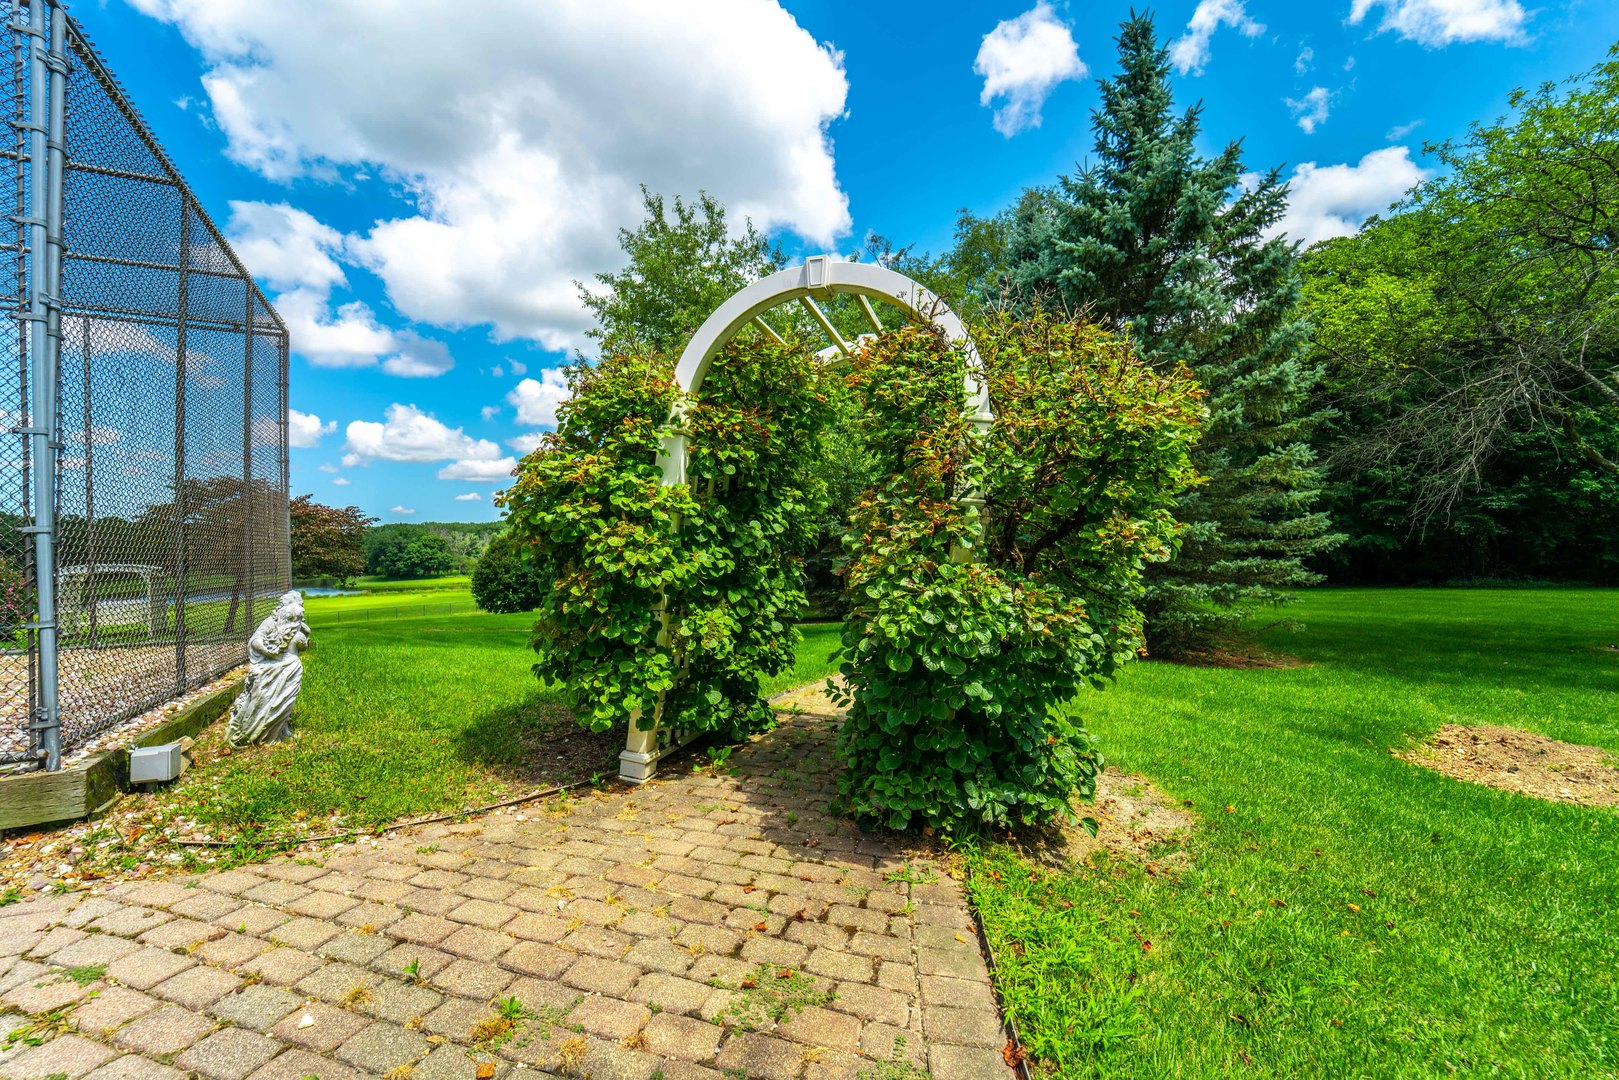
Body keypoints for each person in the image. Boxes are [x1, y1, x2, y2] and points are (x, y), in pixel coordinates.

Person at [225, 590, 311, 748]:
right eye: (298, 605)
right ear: (284, 607)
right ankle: (263, 732)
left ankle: (280, 729)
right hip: (272, 667)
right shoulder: (271, 621)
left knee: (285, 700)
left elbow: (303, 642)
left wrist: (305, 632)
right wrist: (267, 651)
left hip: (288, 668)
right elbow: (255, 640)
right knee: (270, 700)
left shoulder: (297, 623)